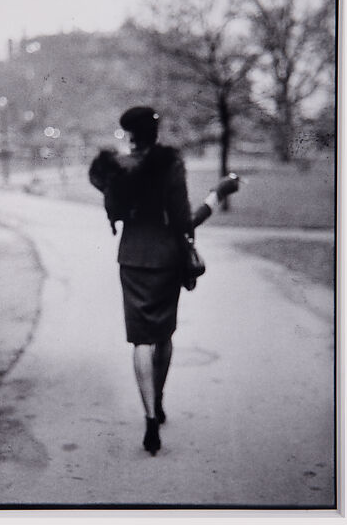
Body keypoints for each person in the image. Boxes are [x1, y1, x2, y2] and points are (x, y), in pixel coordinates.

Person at [89, 106, 238, 456]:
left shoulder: (116, 168)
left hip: (132, 259)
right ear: (155, 133)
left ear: (130, 135)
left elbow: (112, 208)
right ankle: (160, 397)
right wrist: (217, 194)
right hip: (166, 260)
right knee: (164, 335)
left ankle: (150, 416)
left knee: (140, 340)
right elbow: (185, 222)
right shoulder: (170, 164)